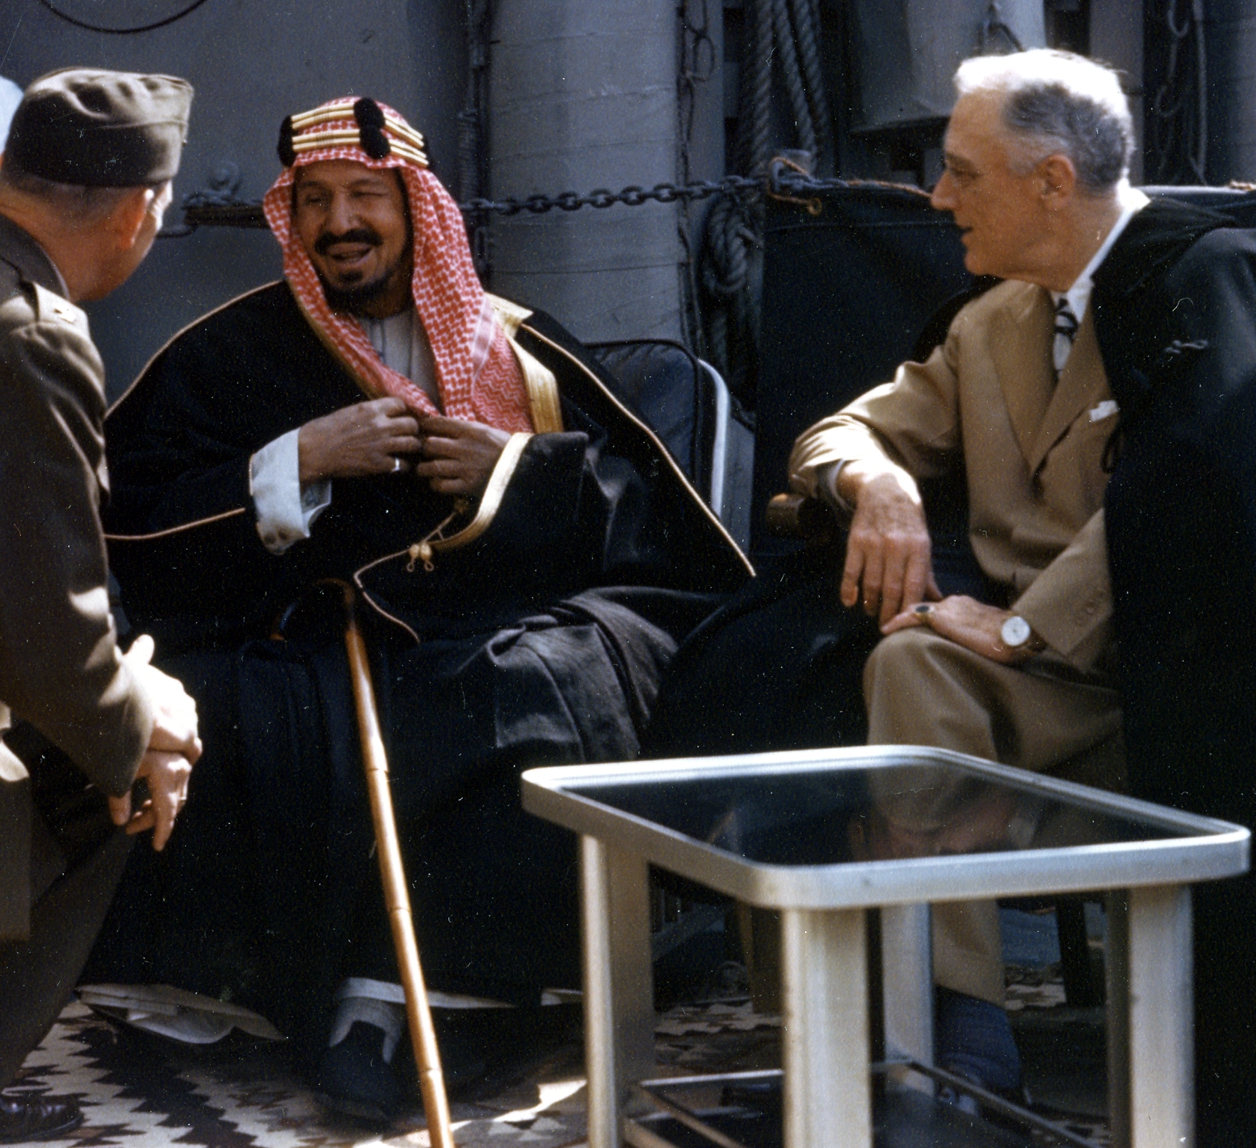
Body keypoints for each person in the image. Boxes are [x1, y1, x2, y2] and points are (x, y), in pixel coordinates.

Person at [785, 49, 1256, 1148]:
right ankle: (952, 1051)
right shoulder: (989, 324)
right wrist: (875, 481)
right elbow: (849, 426)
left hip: (1188, 685)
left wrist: (1016, 623)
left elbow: (1195, 487)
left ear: (1050, 181)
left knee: (922, 659)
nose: (936, 196)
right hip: (1052, 693)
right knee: (904, 659)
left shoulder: (1210, 277)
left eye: (961, 171)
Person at [91, 97, 750, 1120]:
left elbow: (649, 521)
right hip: (317, 628)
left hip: (495, 627)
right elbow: (134, 523)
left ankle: (437, 992)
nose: (340, 222)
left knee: (529, 680)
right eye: (314, 201)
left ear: (418, 206)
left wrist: (520, 469)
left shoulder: (518, 347)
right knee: (231, 696)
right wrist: (294, 462)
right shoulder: (225, 353)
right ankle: (252, 986)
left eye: (366, 196)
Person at [0, 68, 200, 1141]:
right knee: (116, 779)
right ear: (141, 210)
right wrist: (150, 717)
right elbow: (50, 645)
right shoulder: (32, 330)